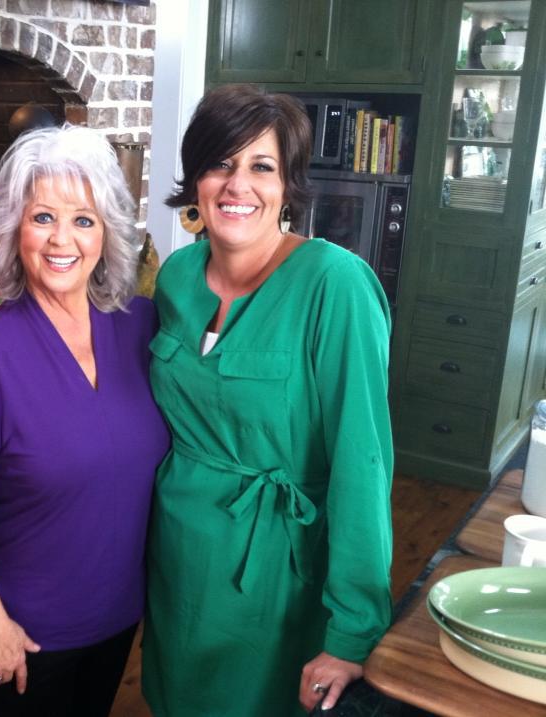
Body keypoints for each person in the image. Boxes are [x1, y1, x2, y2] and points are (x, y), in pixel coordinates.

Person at [142, 84, 393, 716]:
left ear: (288, 185)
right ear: (196, 180)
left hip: (276, 569)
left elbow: (362, 464)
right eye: (219, 164)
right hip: (177, 558)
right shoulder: (176, 276)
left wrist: (352, 630)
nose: (237, 186)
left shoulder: (334, 285)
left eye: (262, 167)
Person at [0, 124, 170, 717]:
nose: (62, 239)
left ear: (106, 233)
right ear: (15, 230)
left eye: (83, 220)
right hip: (27, 637)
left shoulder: (141, 326)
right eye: (43, 218)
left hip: (121, 619)